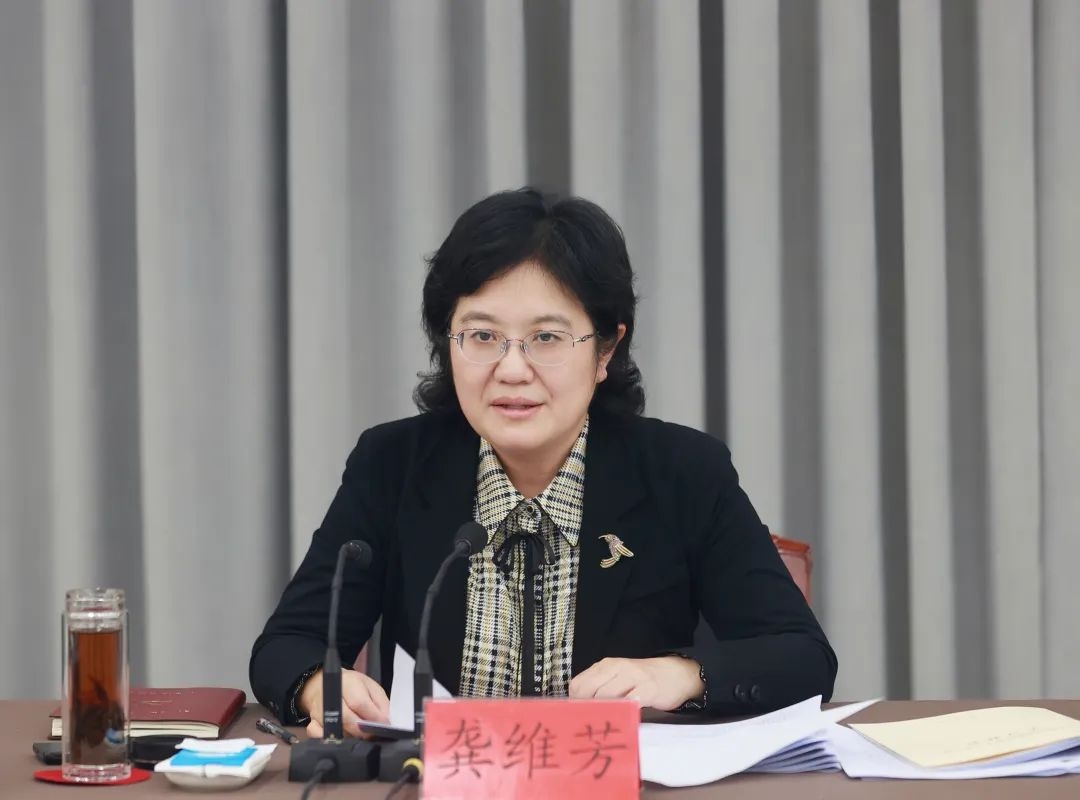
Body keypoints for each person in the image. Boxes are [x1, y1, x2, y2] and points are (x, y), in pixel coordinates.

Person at [250, 188, 837, 737]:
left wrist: (683, 675)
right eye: (482, 336)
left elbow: (802, 657)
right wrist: (318, 686)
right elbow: (287, 644)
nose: (512, 369)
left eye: (547, 338)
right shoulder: (393, 465)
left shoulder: (683, 472)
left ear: (605, 350)